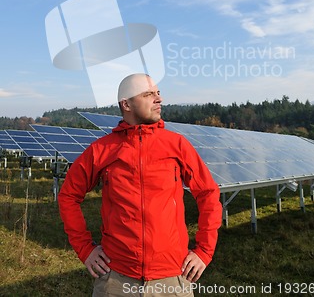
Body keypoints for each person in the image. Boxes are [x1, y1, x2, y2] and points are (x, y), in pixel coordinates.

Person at [58, 73, 222, 296]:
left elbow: (208, 193)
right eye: (148, 94)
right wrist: (85, 249)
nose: (158, 99)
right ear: (126, 104)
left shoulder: (177, 145)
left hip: (172, 278)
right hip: (115, 279)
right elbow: (68, 195)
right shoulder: (102, 150)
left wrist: (204, 250)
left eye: (158, 93)